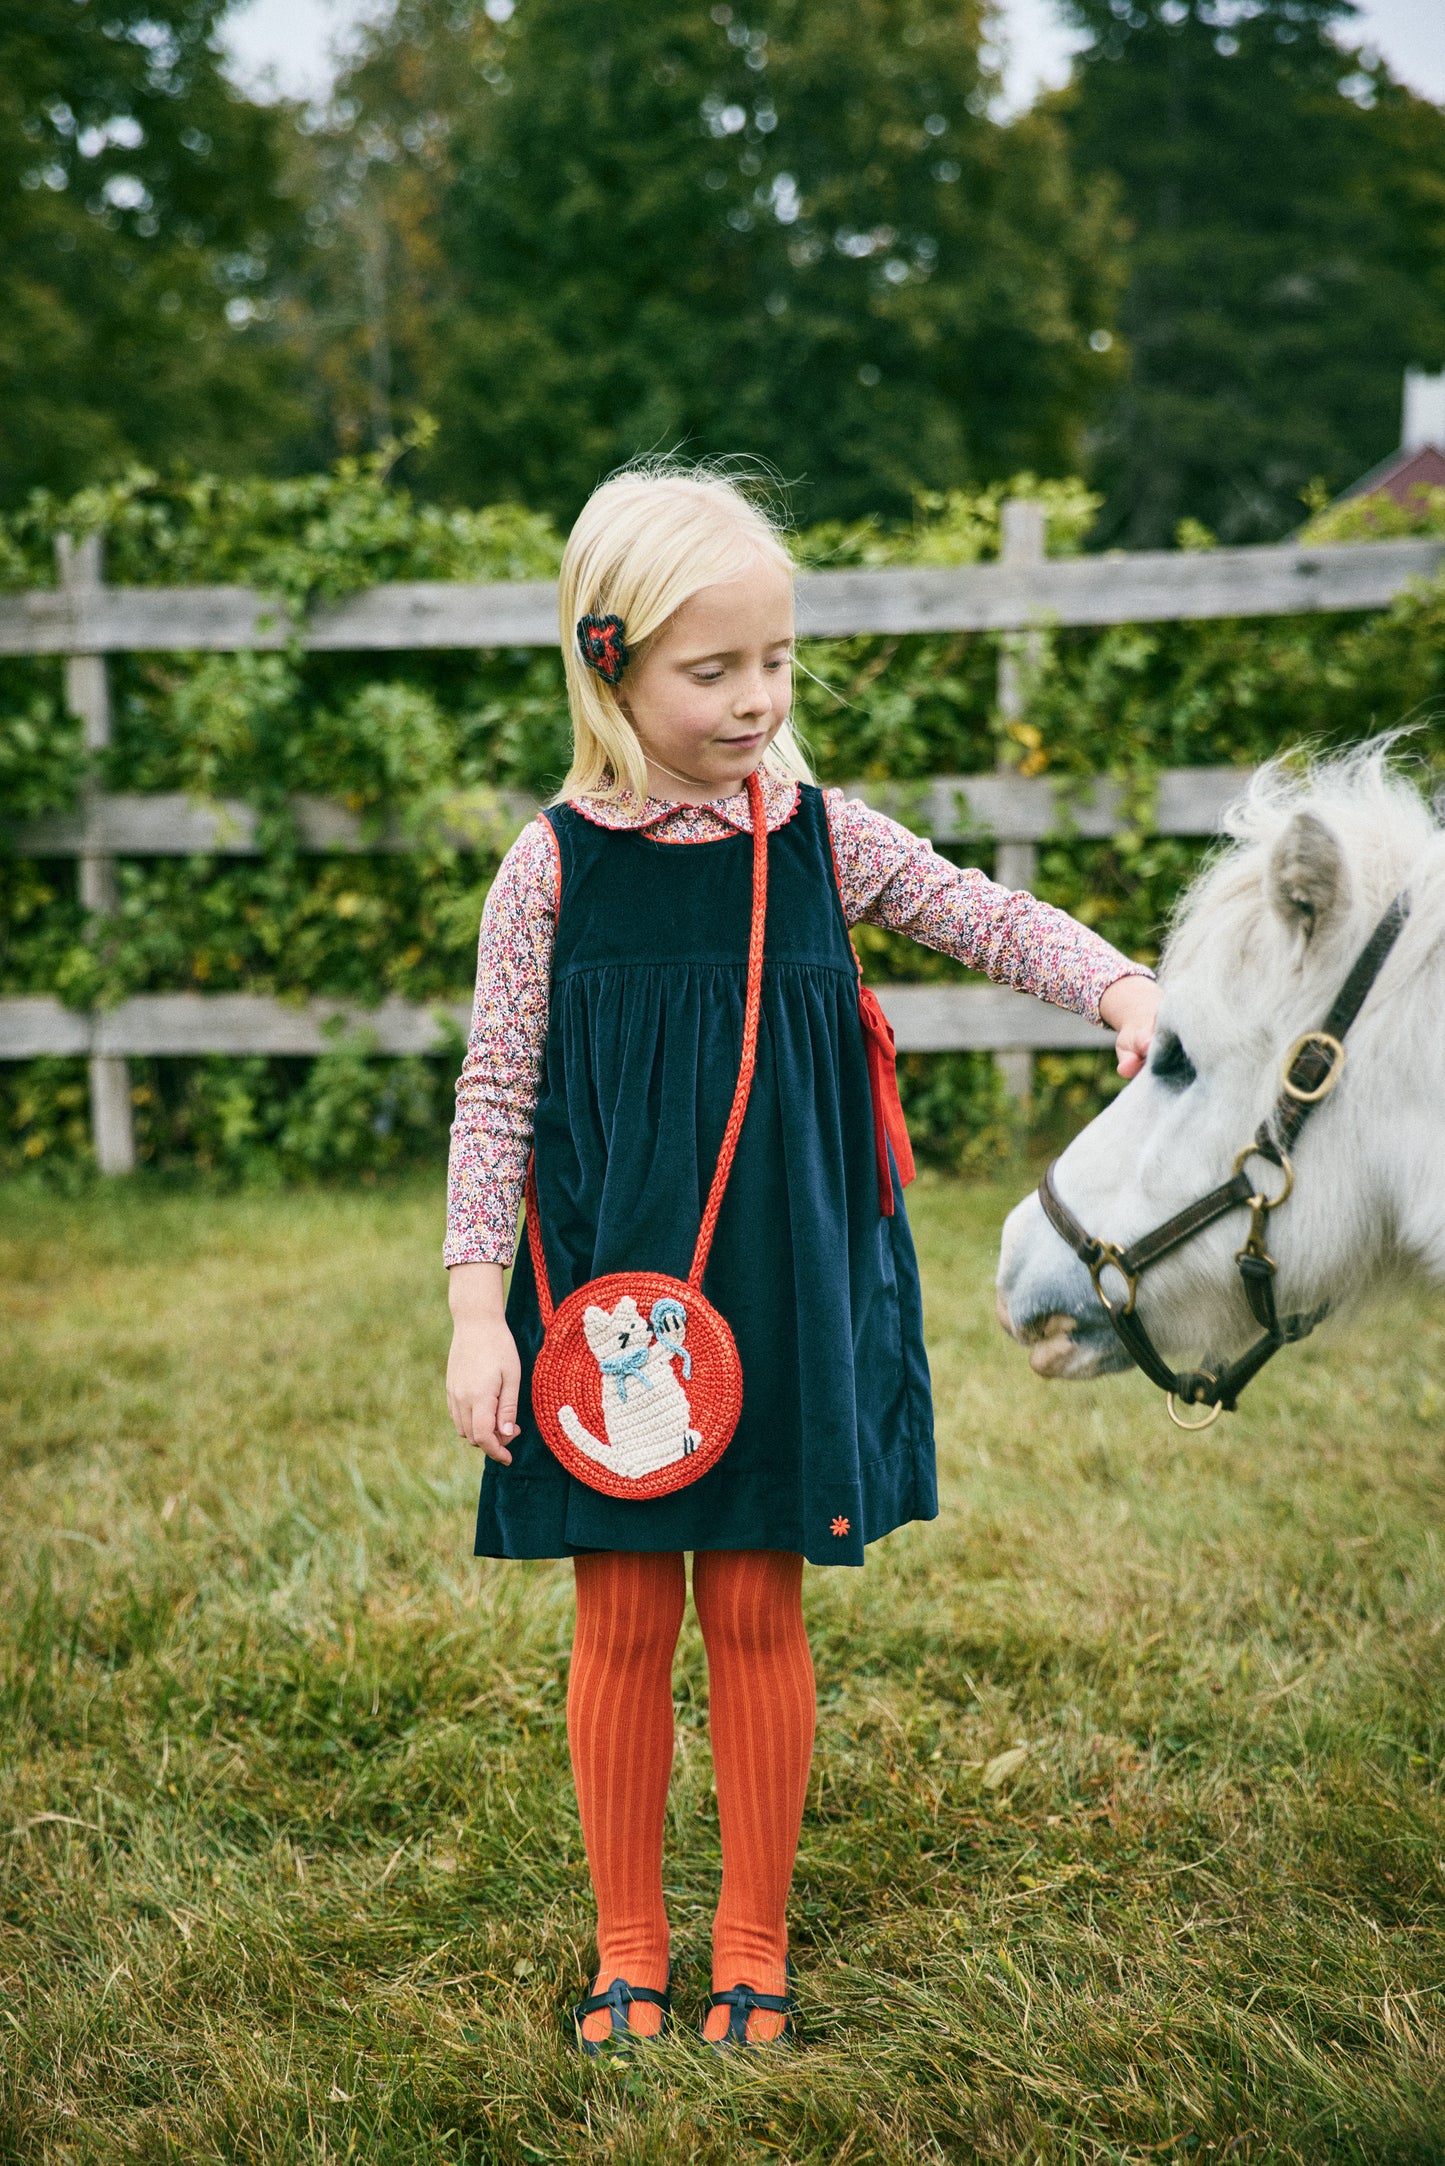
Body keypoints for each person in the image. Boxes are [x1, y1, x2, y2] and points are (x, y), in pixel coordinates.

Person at [443, 464, 1158, 2051]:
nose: (758, 698)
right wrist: (470, 1312)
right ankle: (632, 1942)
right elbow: (494, 1091)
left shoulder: (819, 841)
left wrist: (1116, 985)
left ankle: (751, 1938)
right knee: (622, 1616)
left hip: (774, 1279)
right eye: (716, 671)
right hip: (603, 1297)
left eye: (776, 661)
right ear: (608, 659)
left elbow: (974, 910)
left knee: (758, 1603)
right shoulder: (548, 866)